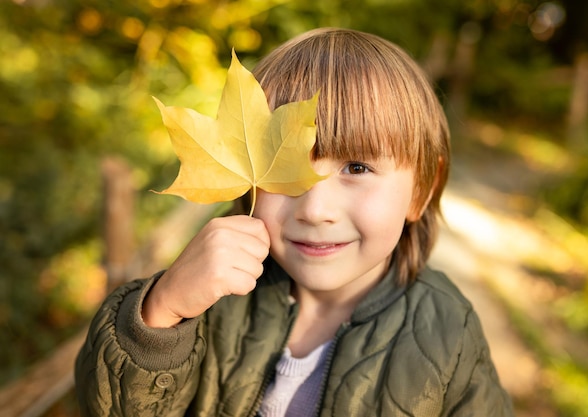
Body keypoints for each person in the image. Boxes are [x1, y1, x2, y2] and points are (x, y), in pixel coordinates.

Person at [75, 27, 514, 416]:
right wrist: (163, 311)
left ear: (421, 189)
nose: (314, 209)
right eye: (283, 167)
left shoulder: (448, 332)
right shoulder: (210, 300)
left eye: (356, 168)